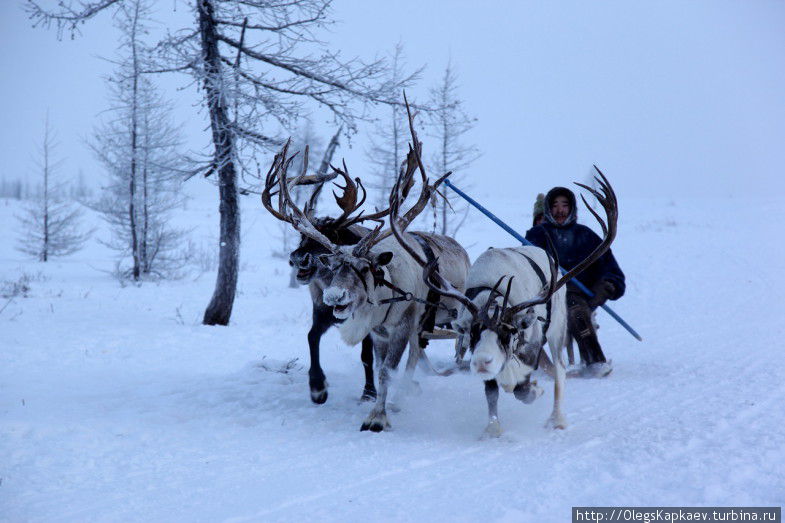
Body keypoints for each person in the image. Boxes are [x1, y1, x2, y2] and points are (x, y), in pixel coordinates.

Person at [525, 186, 625, 377]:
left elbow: (611, 269)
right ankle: (516, 363)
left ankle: (595, 362)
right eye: (554, 205)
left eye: (564, 205)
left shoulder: (586, 235)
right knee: (527, 324)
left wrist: (607, 286)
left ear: (572, 208)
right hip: (544, 294)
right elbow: (525, 264)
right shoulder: (536, 235)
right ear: (548, 209)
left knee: (576, 312)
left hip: (575, 294)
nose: (560, 210)